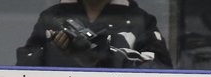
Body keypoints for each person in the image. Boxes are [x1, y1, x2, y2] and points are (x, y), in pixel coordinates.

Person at [16, 0, 172, 69]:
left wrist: (98, 55)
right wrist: (52, 51)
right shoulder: (52, 17)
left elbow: (160, 72)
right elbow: (23, 70)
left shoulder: (140, 20)